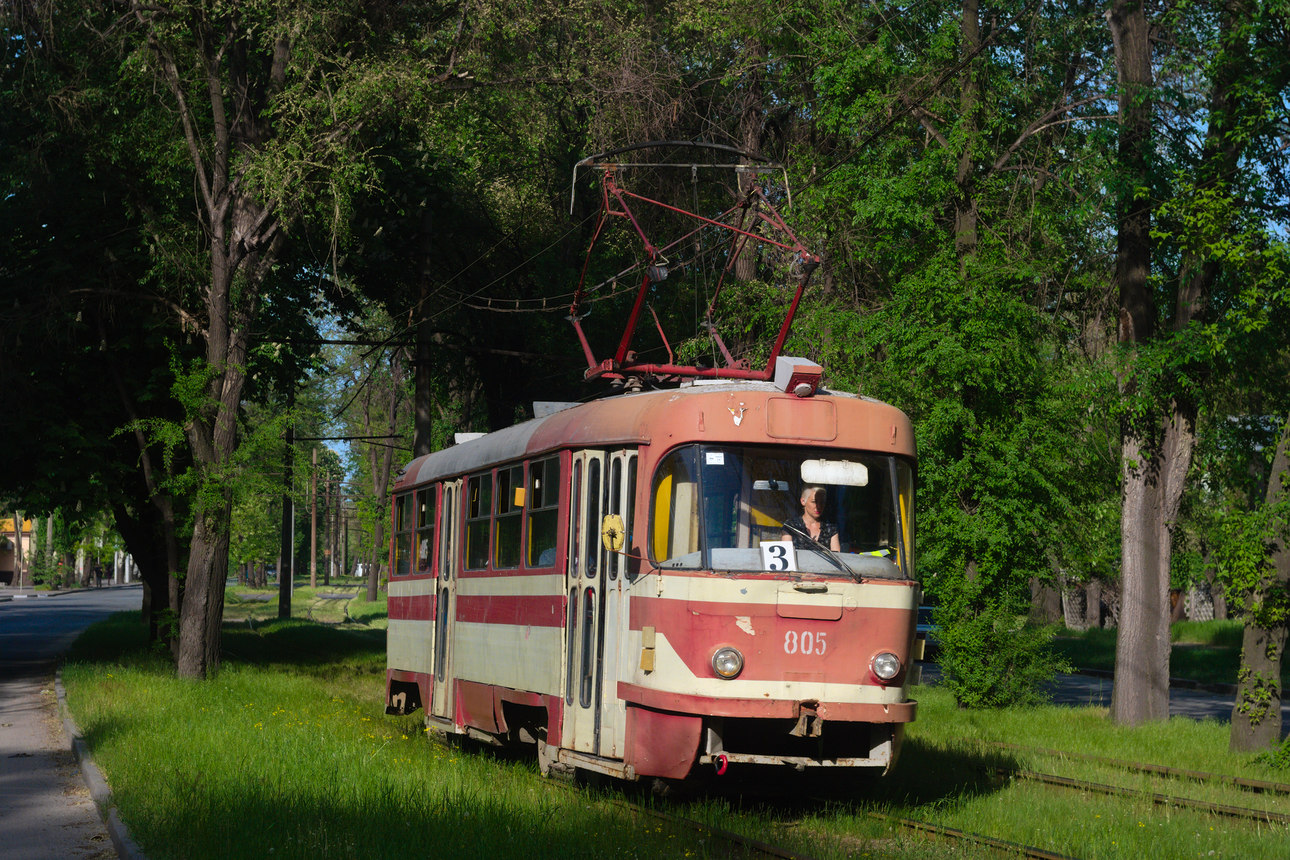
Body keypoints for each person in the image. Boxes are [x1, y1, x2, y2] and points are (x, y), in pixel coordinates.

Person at [781, 485, 841, 551]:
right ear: (803, 501)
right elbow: (786, 554)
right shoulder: (791, 526)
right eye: (814, 502)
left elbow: (836, 556)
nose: (818, 506)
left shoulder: (830, 529)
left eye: (822, 502)